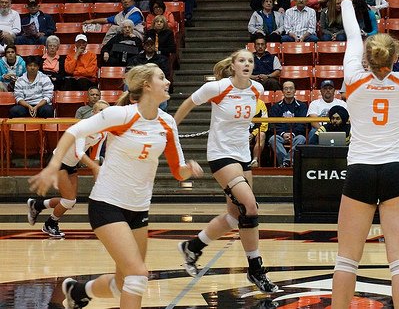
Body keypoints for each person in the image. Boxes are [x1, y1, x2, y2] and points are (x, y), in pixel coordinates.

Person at [29, 63, 203, 309]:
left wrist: (190, 169)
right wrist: (52, 166)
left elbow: (178, 171)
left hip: (139, 208)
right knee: (138, 275)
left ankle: (79, 291)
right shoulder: (120, 115)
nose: (167, 83)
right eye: (162, 78)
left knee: (124, 282)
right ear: (147, 85)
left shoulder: (167, 123)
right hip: (107, 204)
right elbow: (74, 131)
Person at [331, 0, 399, 309]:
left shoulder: (353, 79)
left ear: (368, 59)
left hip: (360, 172)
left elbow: (353, 37)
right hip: (396, 171)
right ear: (394, 57)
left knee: (346, 260)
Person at [174, 50, 279, 293]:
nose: (247, 64)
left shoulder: (257, 90)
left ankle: (192, 247)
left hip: (242, 155)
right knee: (251, 207)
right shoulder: (218, 88)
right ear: (233, 66)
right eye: (242, 60)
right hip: (221, 155)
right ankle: (256, 269)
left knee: (234, 216)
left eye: (250, 61)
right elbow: (189, 102)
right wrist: (170, 127)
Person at [28, 100, 110, 238]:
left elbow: (95, 157)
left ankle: (37, 205)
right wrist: (94, 166)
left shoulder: (104, 132)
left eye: (106, 111)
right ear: (94, 112)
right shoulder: (83, 126)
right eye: (100, 110)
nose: (103, 114)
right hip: (58, 162)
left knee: (70, 202)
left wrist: (98, 184)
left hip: (72, 165)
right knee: (69, 200)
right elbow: (79, 153)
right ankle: (50, 224)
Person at [268, 80, 308, 167]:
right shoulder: (276, 107)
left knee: (302, 138)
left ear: (295, 91)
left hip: (296, 135)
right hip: (280, 135)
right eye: (286, 89)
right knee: (273, 139)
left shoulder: (302, 106)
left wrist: (292, 134)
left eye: (291, 88)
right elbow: (272, 124)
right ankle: (288, 162)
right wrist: (283, 134)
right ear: (282, 91)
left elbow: (302, 124)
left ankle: (285, 162)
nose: (288, 91)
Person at [249, 98, 269, 168]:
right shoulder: (239, 102)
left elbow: (264, 124)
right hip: (242, 131)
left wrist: (253, 134)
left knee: (262, 135)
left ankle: (254, 160)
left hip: (257, 130)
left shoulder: (261, 103)